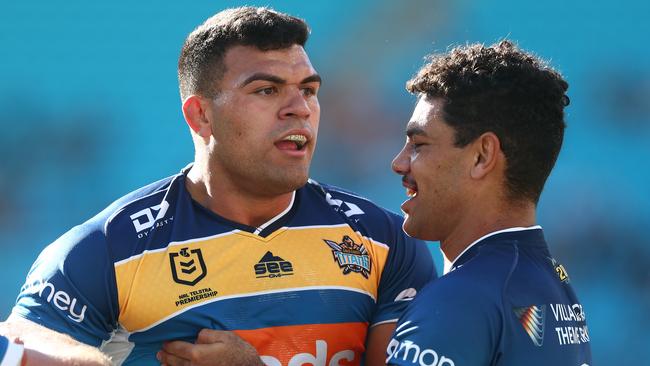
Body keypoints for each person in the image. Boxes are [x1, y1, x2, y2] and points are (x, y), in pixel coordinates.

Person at [0, 6, 436, 366]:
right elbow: (22, 345)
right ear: (200, 116)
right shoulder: (109, 248)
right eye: (266, 90)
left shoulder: (384, 240)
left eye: (309, 89)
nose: (299, 109)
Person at [386, 40, 592, 365]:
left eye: (419, 144)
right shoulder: (552, 285)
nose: (398, 163)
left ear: (482, 156)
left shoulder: (459, 300)